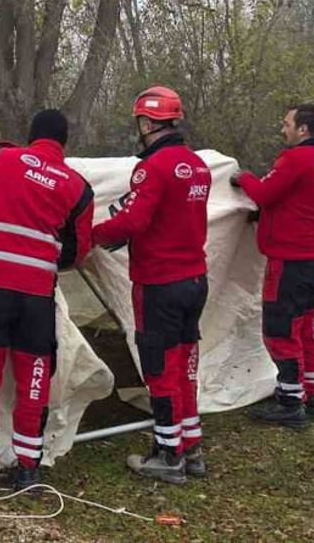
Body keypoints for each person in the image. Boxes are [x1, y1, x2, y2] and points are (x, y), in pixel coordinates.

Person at [0, 110, 95, 498]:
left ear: (30, 135)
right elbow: (78, 251)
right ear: (64, 142)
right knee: (34, 379)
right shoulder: (78, 188)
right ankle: (29, 471)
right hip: (35, 296)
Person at [92, 86, 212, 484]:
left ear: (146, 123)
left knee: (160, 369)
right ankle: (191, 448)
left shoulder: (153, 168)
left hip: (159, 282)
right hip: (195, 279)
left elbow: (134, 220)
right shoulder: (197, 165)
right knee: (185, 367)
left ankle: (168, 456)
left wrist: (92, 234)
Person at [231, 103, 314, 428]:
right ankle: (311, 391)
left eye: (287, 124)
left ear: (303, 129)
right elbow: (296, 203)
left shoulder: (295, 159)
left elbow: (264, 193)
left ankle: (290, 402)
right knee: (304, 327)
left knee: (279, 329)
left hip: (290, 260)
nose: (283, 129)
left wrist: (243, 178)